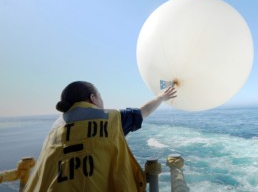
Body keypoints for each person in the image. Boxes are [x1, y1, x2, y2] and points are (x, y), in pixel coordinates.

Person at [24, 81, 177, 192]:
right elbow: (144, 111)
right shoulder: (111, 119)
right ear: (93, 98)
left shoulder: (54, 131)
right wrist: (161, 97)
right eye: (100, 96)